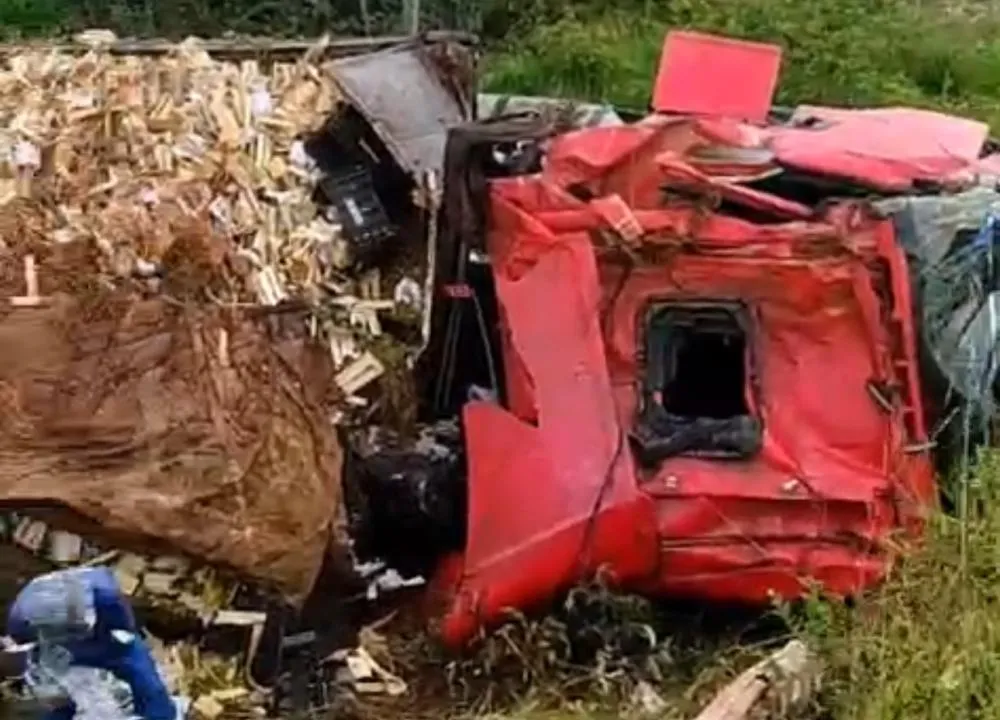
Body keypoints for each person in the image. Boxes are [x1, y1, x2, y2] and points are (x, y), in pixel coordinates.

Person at [6, 566, 179, 720]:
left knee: (144, 681)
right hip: (62, 654)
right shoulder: (21, 618)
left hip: (104, 637)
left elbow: (125, 632)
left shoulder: (106, 597)